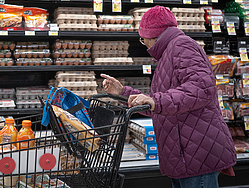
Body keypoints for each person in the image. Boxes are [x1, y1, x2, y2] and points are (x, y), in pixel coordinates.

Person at [101, 6, 236, 188]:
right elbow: (161, 107)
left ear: (152, 35)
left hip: (195, 154)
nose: (145, 44)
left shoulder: (181, 46)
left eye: (143, 39)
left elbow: (201, 88)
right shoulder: (169, 53)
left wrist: (156, 101)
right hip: (182, 155)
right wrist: (123, 92)